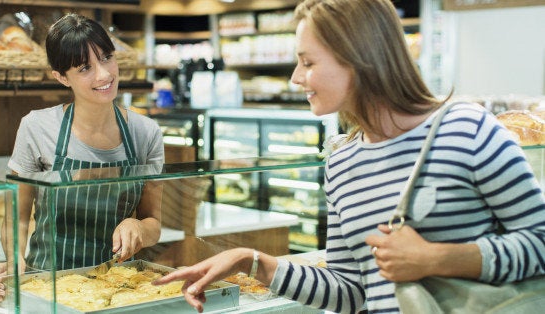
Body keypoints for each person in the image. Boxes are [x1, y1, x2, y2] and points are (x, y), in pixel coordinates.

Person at [153, 0, 545, 313]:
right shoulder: (341, 162)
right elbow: (351, 289)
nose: (295, 77)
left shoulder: (466, 129)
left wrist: (437, 259)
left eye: (308, 62)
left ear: (360, 61)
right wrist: (252, 262)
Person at [0, 13, 164, 303]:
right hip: (47, 287)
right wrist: (15, 263)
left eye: (106, 57)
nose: (104, 74)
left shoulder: (146, 133)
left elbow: (154, 221)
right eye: (84, 68)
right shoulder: (37, 127)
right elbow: (16, 217)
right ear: (60, 77)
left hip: (116, 289)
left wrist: (139, 227)